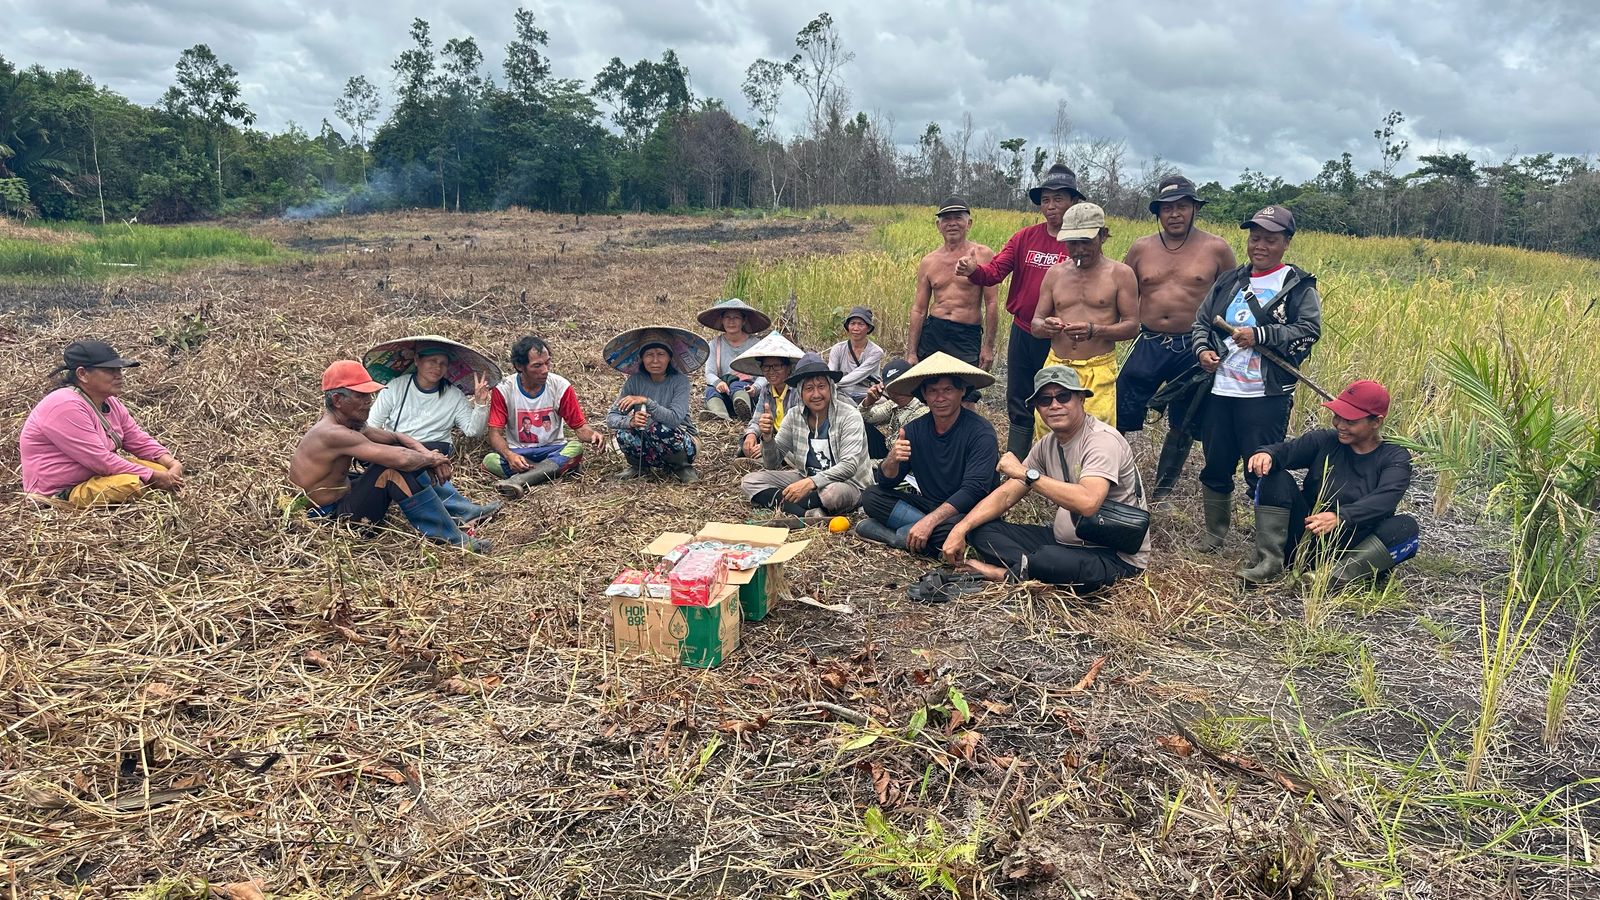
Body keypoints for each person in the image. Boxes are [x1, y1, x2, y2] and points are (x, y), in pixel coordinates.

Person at [944, 366, 1149, 590]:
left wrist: (1026, 473)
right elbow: (1005, 495)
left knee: (1050, 560)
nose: (1054, 405)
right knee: (983, 529)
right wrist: (961, 528)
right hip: (1064, 542)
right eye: (1045, 400)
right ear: (1037, 409)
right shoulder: (1048, 444)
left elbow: (1088, 503)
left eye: (1063, 396)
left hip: (1111, 554)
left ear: (1081, 399)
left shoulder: (1101, 441)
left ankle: (1005, 573)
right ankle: (1032, 569)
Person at [1190, 205, 1323, 552]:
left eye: (1270, 239)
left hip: (1266, 396)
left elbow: (1309, 330)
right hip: (1220, 390)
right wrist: (1203, 351)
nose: (1260, 245)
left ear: (1287, 242)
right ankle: (1214, 535)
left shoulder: (1297, 285)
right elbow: (1202, 322)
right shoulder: (1230, 279)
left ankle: (1270, 548)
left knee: (1261, 468)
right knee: (1216, 465)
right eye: (1255, 237)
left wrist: (1261, 335)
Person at [1117, 175, 1238, 501]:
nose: (1174, 214)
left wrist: (1223, 346)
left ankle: (1163, 492)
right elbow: (1122, 293)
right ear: (1158, 212)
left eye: (1182, 207)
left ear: (1194, 209)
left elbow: (1233, 298)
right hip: (1149, 341)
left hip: (1194, 347)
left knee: (1184, 421)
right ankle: (1113, 478)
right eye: (1167, 208)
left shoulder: (1216, 248)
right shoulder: (1142, 248)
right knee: (1120, 409)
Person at [288, 361, 487, 552]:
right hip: (329, 518)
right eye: (361, 396)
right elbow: (401, 458)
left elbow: (396, 437)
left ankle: (460, 511)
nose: (369, 402)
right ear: (338, 400)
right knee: (392, 469)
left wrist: (427, 454)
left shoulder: (350, 424)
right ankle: (453, 539)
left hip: (343, 496)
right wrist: (432, 460)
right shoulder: (332, 434)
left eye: (369, 395)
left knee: (408, 458)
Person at [957, 164, 1083, 459]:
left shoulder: (1080, 244)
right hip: (1024, 330)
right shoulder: (1025, 238)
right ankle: (1018, 463)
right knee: (1019, 398)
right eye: (1046, 200)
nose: (1051, 207)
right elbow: (994, 273)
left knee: (1058, 397)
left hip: (1060, 339)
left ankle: (1059, 461)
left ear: (1073, 201)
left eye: (1059, 199)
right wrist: (974, 270)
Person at [1240, 380, 1418, 585]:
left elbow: (1386, 499)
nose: (1340, 425)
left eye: (1350, 421)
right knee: (1274, 477)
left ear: (1376, 422)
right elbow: (1286, 452)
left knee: (1405, 526)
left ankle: (1329, 578)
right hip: (1306, 537)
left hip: (1353, 547)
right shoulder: (1325, 440)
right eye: (1337, 416)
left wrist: (1341, 517)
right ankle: (1269, 563)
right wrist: (1267, 453)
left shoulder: (1395, 456)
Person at [856, 353, 999, 556]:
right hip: (930, 506)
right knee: (871, 496)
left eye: (948, 390)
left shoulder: (981, 432)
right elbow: (886, 483)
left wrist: (930, 521)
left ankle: (897, 537)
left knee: (969, 532)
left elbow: (974, 490)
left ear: (962, 391)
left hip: (967, 512)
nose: (940, 398)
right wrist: (892, 459)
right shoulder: (913, 430)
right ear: (924, 394)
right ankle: (917, 534)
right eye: (933, 391)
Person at [20, 339, 185, 506]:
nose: (118, 375)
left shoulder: (109, 401)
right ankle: (56, 502)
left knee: (163, 472)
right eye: (109, 370)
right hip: (63, 490)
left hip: (95, 477)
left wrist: (170, 463)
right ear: (82, 374)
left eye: (119, 369)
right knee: (135, 485)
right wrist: (153, 477)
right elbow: (101, 461)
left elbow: (136, 438)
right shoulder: (64, 405)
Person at [1029, 202, 1139, 435]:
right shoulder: (1055, 274)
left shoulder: (1120, 274)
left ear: (1103, 236)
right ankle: (1048, 472)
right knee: (1047, 429)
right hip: (1058, 365)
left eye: (1086, 242)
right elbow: (1035, 324)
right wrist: (1047, 326)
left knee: (1097, 433)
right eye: (1072, 243)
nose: (1079, 249)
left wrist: (1095, 330)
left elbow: (1131, 327)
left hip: (1097, 368)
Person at [367, 341, 501, 526]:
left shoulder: (453, 395)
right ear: (417, 360)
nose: (437, 367)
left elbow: (473, 432)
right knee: (410, 463)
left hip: (436, 446)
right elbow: (372, 425)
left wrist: (480, 403)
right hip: (401, 446)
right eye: (432, 361)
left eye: (443, 363)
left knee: (415, 463)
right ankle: (463, 512)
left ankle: (461, 513)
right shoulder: (396, 387)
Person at [741, 353, 872, 520]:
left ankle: (788, 506)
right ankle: (808, 513)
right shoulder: (794, 415)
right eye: (809, 388)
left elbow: (848, 466)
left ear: (831, 388)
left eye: (821, 386)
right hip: (806, 475)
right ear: (800, 393)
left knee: (832, 493)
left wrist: (811, 483)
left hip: (847, 484)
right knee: (750, 481)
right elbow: (772, 463)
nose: (816, 394)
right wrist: (767, 438)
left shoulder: (849, 415)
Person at [483, 335, 605, 498]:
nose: (545, 370)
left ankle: (519, 480)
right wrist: (509, 455)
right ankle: (551, 471)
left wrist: (593, 435)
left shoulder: (560, 386)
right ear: (520, 366)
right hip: (520, 454)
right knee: (490, 460)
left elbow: (580, 428)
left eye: (547, 363)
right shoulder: (504, 389)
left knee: (575, 448)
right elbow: (494, 433)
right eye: (537, 366)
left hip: (552, 449)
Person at [909, 198, 998, 399]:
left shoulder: (983, 255)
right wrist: (911, 352)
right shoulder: (929, 261)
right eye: (946, 219)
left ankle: (968, 431)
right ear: (938, 226)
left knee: (966, 393)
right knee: (930, 390)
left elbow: (991, 303)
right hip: (934, 331)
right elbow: (919, 309)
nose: (952, 223)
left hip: (966, 334)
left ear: (969, 223)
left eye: (958, 218)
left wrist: (988, 346)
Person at [602, 325, 707, 483]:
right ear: (642, 358)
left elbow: (674, 419)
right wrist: (630, 421)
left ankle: (682, 467)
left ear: (670, 358)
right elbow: (612, 418)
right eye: (649, 355)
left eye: (661, 354)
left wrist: (645, 401)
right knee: (624, 433)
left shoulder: (680, 381)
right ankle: (638, 465)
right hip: (649, 443)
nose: (655, 360)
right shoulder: (634, 381)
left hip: (681, 440)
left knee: (659, 428)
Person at [730, 332, 805, 460]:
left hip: (792, 441)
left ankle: (766, 460)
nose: (771, 372)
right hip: (772, 436)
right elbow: (757, 420)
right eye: (766, 367)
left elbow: (799, 429)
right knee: (745, 446)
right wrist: (751, 434)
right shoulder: (766, 390)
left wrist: (770, 444)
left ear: (788, 368)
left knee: (784, 453)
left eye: (777, 366)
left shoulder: (798, 390)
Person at [699, 298, 769, 420]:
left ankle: (744, 409)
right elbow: (710, 373)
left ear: (743, 321)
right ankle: (720, 414)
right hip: (724, 390)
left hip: (748, 391)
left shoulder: (756, 344)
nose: (731, 321)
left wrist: (756, 387)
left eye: (736, 317)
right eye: (727, 317)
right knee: (711, 391)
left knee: (738, 385)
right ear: (722, 320)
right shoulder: (715, 344)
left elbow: (765, 373)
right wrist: (718, 383)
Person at [859, 357, 928, 461]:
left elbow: (899, 453)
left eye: (902, 383)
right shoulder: (892, 405)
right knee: (860, 424)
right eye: (892, 386)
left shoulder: (922, 411)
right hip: (890, 455)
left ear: (912, 381)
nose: (897, 390)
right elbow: (860, 418)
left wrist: (864, 466)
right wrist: (868, 401)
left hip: (906, 463)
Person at [825, 306, 884, 403]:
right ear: (848, 326)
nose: (856, 328)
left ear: (868, 328)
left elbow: (859, 374)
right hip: (842, 392)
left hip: (866, 392)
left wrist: (832, 384)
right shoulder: (837, 349)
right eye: (852, 324)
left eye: (861, 324)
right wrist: (828, 383)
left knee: (883, 403)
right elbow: (831, 372)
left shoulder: (876, 352)